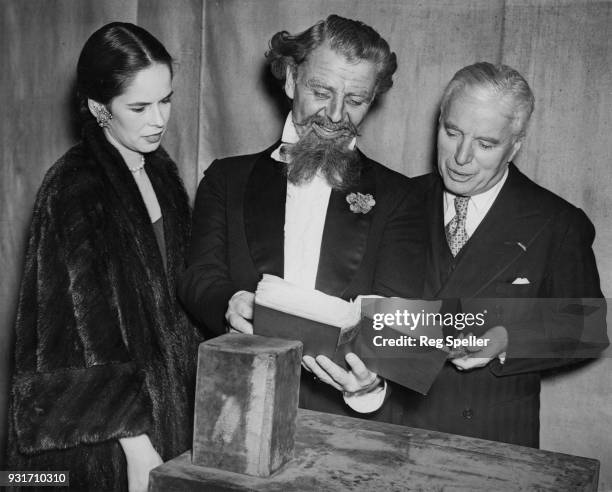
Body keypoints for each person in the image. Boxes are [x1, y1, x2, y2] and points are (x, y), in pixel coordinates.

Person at [179, 15, 425, 417]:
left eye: (356, 100)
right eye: (321, 91)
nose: (335, 114)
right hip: (237, 407)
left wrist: (371, 383)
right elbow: (197, 275)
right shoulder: (227, 179)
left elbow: (398, 318)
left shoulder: (400, 196)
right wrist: (229, 303)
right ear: (292, 80)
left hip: (346, 424)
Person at [7, 22, 200, 491]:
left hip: (167, 414)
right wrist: (137, 447)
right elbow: (82, 336)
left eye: (166, 99)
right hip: (107, 439)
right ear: (98, 108)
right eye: (139, 106)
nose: (159, 119)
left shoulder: (160, 173)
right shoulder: (73, 188)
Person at [396, 62, 608, 447]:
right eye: (452, 132)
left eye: (485, 144)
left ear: (515, 145)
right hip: (393, 425)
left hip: (490, 436)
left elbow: (586, 327)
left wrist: (507, 338)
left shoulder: (557, 222)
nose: (461, 157)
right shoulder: (398, 200)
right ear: (438, 122)